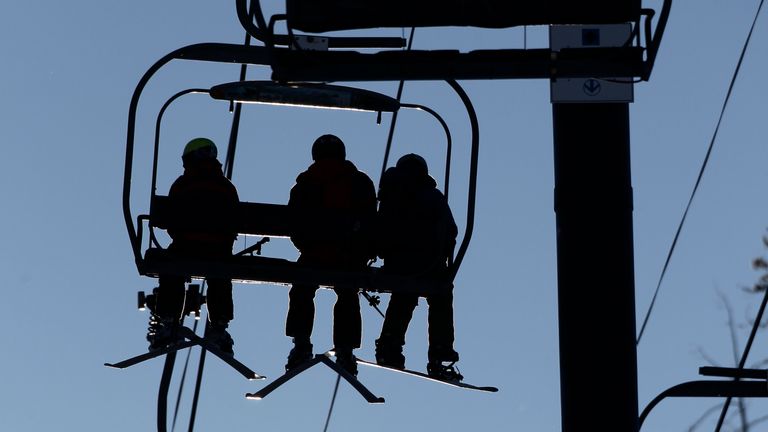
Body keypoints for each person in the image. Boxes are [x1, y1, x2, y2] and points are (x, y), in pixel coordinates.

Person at [285, 134, 377, 376]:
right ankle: (345, 350)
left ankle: (301, 343)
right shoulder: (359, 182)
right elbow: (370, 222)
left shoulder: (306, 183)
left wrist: (306, 247)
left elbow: (294, 223)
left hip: (314, 254)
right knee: (347, 293)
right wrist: (361, 253)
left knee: (302, 289)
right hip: (348, 257)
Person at [146, 137, 240, 354]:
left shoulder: (182, 185)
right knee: (220, 275)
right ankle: (219, 325)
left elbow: (170, 223)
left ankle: (169, 321)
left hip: (186, 247)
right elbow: (233, 222)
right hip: (218, 250)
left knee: (171, 268)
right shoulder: (226, 187)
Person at [374, 153, 463, 381]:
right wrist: (441, 254)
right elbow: (451, 231)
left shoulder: (391, 194)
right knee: (441, 294)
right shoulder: (433, 196)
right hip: (428, 265)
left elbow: (378, 229)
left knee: (403, 295)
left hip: (398, 264)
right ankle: (440, 349)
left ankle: (390, 344)